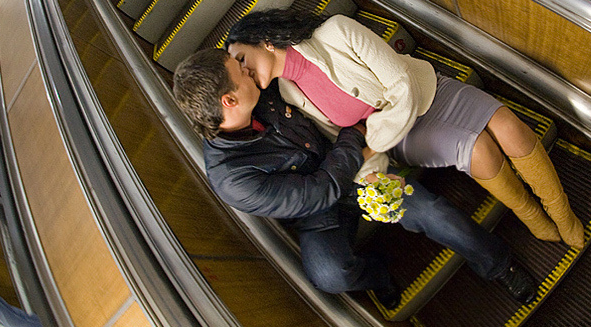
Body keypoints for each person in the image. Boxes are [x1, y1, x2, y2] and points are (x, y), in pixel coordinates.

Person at [173, 48, 538, 305]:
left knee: (435, 214)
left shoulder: (262, 90)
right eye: (240, 72)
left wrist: (354, 140)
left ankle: (498, 264)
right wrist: (354, 134)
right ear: (229, 102)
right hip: (319, 208)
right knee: (330, 275)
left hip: (361, 171)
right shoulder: (231, 178)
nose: (247, 69)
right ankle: (378, 276)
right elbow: (321, 192)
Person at [224, 10, 585, 249]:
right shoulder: (290, 94)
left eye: (241, 58)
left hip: (427, 93)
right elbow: (345, 140)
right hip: (405, 138)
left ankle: (561, 210)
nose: (244, 71)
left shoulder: (335, 31)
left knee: (508, 125)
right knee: (480, 149)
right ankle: (532, 215)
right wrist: (371, 177)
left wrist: (372, 138)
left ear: (265, 39)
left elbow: (400, 85)